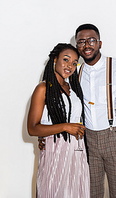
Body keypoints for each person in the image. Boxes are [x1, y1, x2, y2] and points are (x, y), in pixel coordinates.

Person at [39, 24, 116, 198]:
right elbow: (61, 106)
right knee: (90, 192)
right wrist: (44, 134)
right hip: (86, 141)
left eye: (91, 40)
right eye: (81, 42)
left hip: (114, 137)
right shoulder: (74, 72)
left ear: (100, 43)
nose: (87, 45)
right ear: (77, 46)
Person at [27, 43, 90, 197]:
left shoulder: (73, 88)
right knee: (52, 190)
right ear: (55, 60)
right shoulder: (43, 89)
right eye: (66, 60)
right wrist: (65, 127)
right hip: (55, 151)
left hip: (77, 151)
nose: (70, 66)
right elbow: (32, 128)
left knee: (76, 191)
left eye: (74, 63)